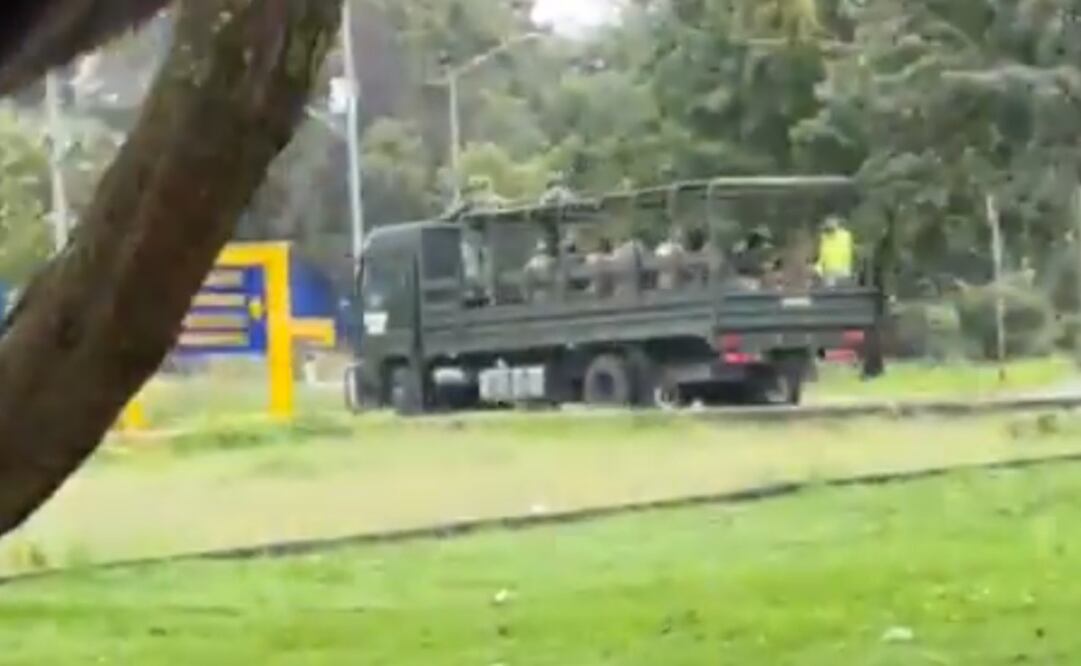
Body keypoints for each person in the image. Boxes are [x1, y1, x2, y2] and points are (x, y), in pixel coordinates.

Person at [814, 216, 854, 286]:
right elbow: (822, 255)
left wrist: (818, 268)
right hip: (842, 272)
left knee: (831, 293)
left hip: (834, 272)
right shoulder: (846, 235)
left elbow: (822, 255)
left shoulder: (824, 237)